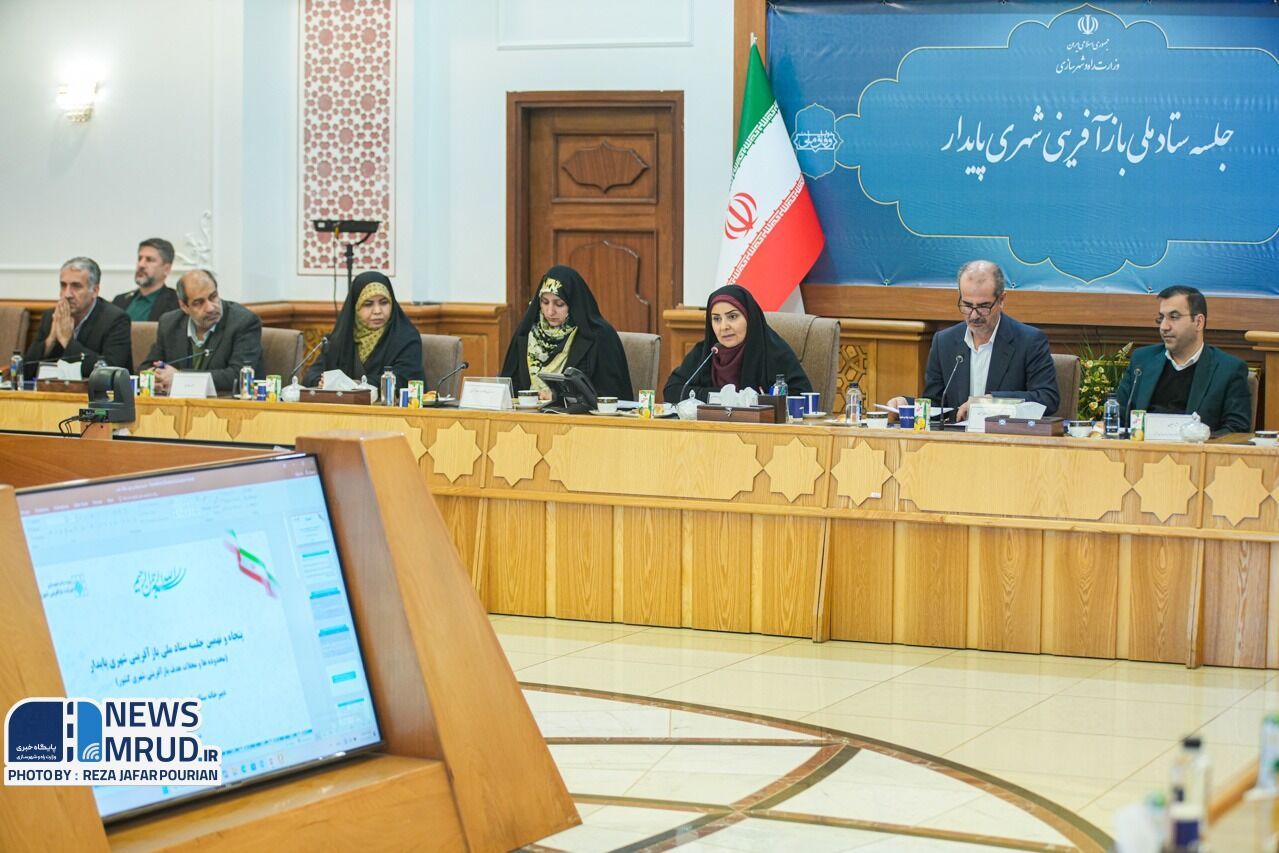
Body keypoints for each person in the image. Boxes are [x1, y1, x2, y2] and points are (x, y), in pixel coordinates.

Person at [888, 260, 1058, 421]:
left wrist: (991, 402)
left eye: (983, 306)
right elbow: (937, 404)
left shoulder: (1029, 341)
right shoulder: (944, 342)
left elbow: (1047, 399)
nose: (974, 315)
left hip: (1005, 437)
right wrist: (908, 404)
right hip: (958, 439)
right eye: (967, 305)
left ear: (1001, 300)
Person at [1114, 285, 1251, 434]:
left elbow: (1236, 430)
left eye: (1174, 317)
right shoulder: (1142, 360)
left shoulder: (1228, 369)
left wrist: (1198, 439)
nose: (1164, 327)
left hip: (1197, 447)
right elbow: (1118, 417)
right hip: (1142, 447)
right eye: (1161, 318)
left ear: (1198, 322)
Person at [500, 265, 632, 400]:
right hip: (528, 412)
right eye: (545, 302)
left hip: (580, 413)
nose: (550, 312)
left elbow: (610, 394)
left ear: (574, 303)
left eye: (559, 304)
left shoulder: (600, 336)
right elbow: (509, 385)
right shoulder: (527, 332)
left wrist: (558, 397)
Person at [664, 283, 811, 403]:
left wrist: (755, 401)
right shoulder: (706, 352)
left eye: (732, 317)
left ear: (749, 317)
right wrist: (721, 397)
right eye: (716, 319)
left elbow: (802, 397)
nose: (724, 327)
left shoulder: (774, 352)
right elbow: (672, 390)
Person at [145, 269, 263, 395]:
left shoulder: (244, 322)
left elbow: (239, 375)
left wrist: (180, 377)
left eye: (213, 296)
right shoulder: (169, 323)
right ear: (184, 306)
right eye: (199, 303)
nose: (210, 308)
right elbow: (147, 367)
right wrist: (156, 377)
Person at [303, 271, 424, 389]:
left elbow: (404, 379)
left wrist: (354, 385)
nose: (377, 311)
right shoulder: (340, 338)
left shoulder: (406, 338)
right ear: (355, 308)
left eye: (384, 302)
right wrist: (320, 382)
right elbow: (311, 376)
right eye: (368, 304)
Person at [24, 257, 132, 379]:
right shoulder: (51, 316)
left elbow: (110, 371)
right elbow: (26, 371)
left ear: (95, 291)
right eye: (63, 285)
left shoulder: (115, 320)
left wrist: (67, 341)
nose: (67, 294)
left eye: (76, 286)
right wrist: (51, 340)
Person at [112, 238, 180, 322]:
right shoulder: (120, 300)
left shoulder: (176, 303)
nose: (141, 265)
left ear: (166, 269)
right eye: (139, 259)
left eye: (149, 260)